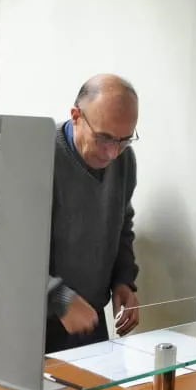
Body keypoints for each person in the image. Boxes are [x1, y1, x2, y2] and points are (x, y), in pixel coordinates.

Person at [45, 73, 141, 353]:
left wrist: (123, 280)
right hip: (37, 323)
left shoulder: (124, 160)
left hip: (91, 321)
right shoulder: (39, 156)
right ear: (76, 116)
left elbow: (122, 225)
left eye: (124, 140)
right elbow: (10, 250)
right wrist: (58, 298)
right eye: (104, 138)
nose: (112, 153)